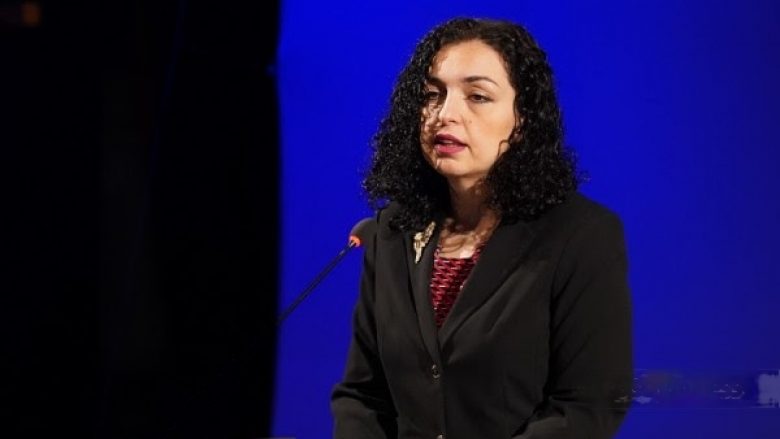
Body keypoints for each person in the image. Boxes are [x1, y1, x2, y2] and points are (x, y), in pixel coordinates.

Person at [331, 17, 632, 439]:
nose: (445, 114)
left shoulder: (582, 235)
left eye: (477, 96)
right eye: (432, 95)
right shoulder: (392, 231)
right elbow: (363, 395)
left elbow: (587, 405)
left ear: (523, 119)